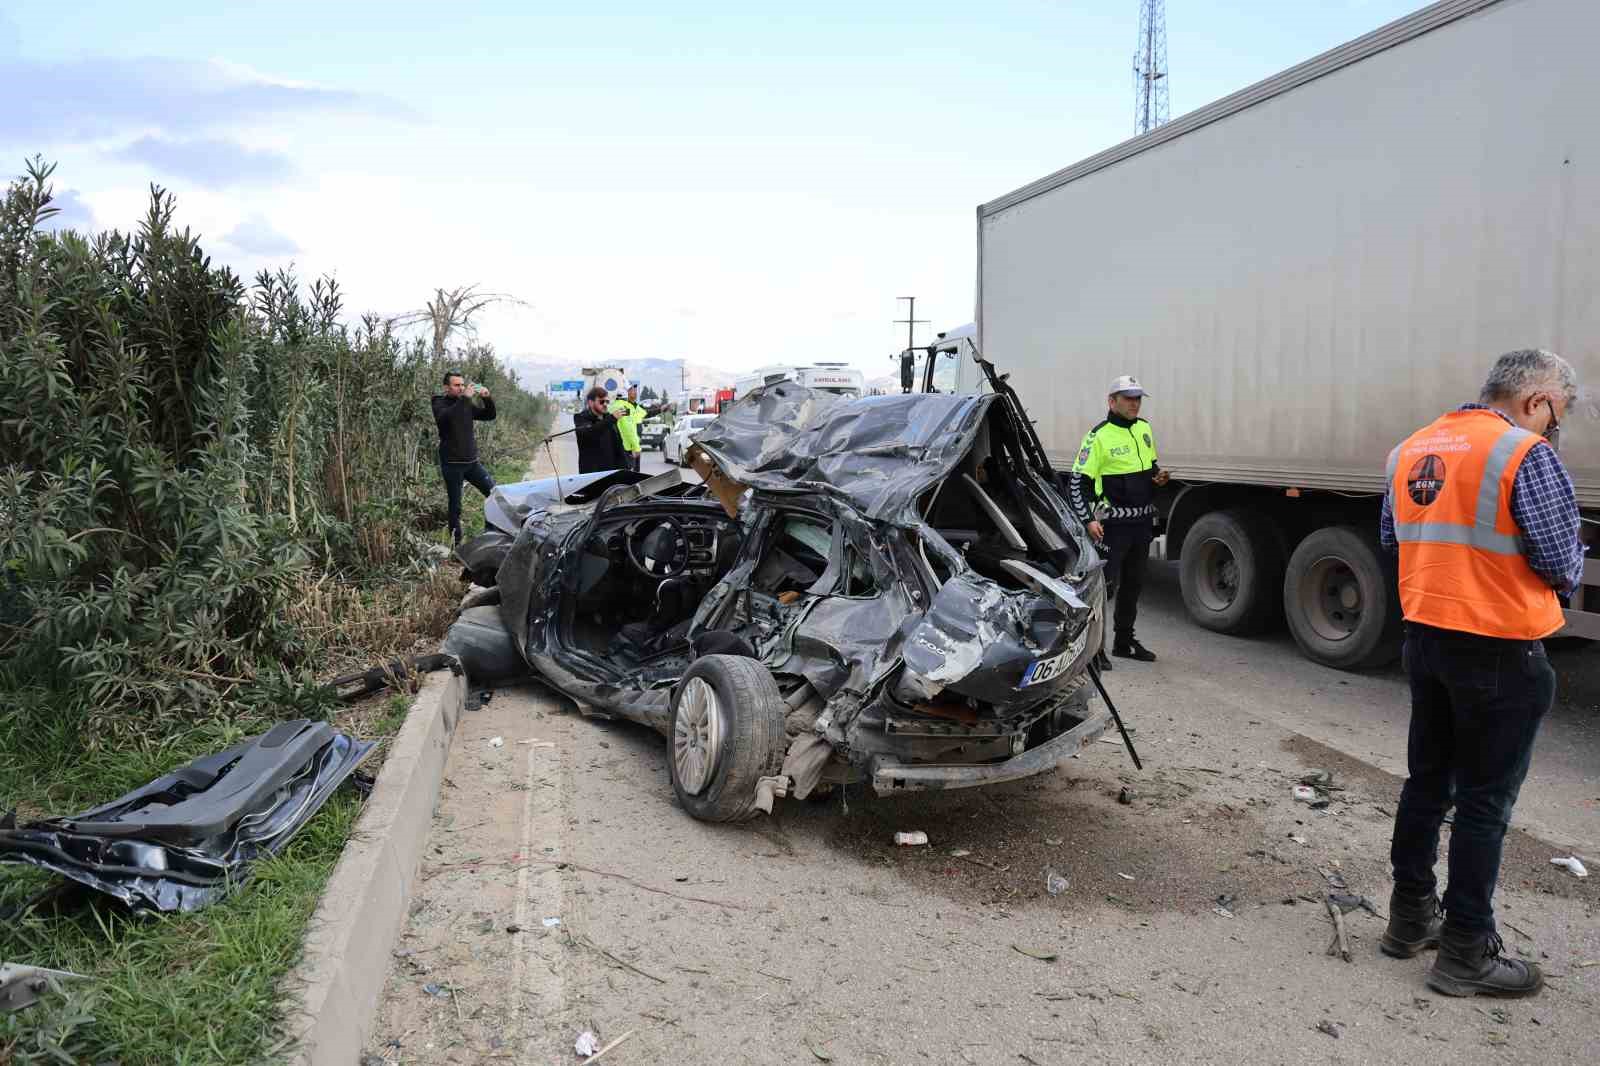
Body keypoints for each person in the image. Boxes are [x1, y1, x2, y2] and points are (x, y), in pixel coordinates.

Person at [1378, 349, 1582, 999]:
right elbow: (1558, 560)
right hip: (1498, 647)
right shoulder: (1523, 452)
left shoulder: (1409, 449)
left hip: (1426, 638)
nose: (1556, 427)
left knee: (1427, 783)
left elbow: (1394, 540)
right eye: (1559, 412)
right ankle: (1466, 950)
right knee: (1484, 806)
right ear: (1536, 401)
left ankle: (1409, 917)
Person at [1069, 374, 1170, 669]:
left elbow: (1149, 467)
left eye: (1138, 398)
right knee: (1104, 589)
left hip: (1140, 525)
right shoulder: (1097, 436)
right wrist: (1088, 520)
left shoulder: (1144, 429)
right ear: (1112, 402)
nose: (1134, 404)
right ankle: (1091, 650)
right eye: (1128, 398)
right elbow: (1078, 484)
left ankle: (1124, 642)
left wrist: (1158, 476)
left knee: (1134, 585)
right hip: (1111, 527)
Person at [431, 370, 496, 546]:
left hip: (472, 464)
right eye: (456, 385)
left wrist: (487, 398)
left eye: (462, 385)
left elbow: (489, 416)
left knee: (495, 495)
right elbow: (448, 418)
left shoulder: (465, 403)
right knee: (455, 507)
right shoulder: (439, 403)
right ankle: (456, 545)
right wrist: (465, 399)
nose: (460, 388)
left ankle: (491, 534)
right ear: (446, 387)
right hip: (452, 465)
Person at [574, 386, 626, 473]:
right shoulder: (581, 418)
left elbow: (617, 445)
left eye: (607, 401)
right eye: (601, 401)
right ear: (591, 403)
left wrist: (625, 465)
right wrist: (611, 419)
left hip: (611, 472)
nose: (605, 404)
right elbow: (591, 433)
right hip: (592, 473)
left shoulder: (609, 418)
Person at [610, 384, 650, 472]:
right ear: (626, 395)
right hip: (626, 446)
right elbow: (628, 429)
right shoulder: (624, 408)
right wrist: (636, 447)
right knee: (630, 475)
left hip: (614, 446)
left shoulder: (611, 406)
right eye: (631, 391)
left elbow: (644, 413)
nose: (634, 393)